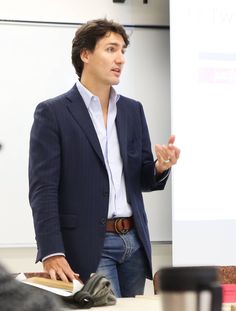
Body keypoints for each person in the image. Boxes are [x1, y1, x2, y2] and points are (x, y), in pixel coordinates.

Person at [29, 18, 180, 297]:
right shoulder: (53, 113)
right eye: (111, 49)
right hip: (88, 243)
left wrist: (160, 166)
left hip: (133, 241)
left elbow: (141, 178)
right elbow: (43, 190)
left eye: (123, 50)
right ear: (85, 54)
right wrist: (51, 250)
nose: (120, 59)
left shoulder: (133, 111)